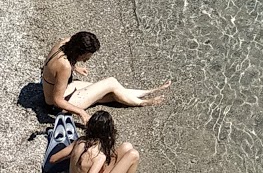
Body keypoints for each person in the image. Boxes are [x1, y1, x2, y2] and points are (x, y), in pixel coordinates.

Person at [40, 32, 170, 125]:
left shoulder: (65, 43)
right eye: (87, 56)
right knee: (111, 83)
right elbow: (58, 100)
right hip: (56, 106)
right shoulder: (64, 67)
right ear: (79, 51)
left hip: (62, 89)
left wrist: (75, 68)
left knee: (111, 93)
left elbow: (55, 70)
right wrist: (81, 113)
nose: (87, 60)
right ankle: (142, 102)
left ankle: (147, 92)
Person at [48, 110, 143, 173]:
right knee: (133, 154)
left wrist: (76, 162)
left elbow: (53, 159)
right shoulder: (98, 157)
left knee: (127, 147)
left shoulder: (80, 141)